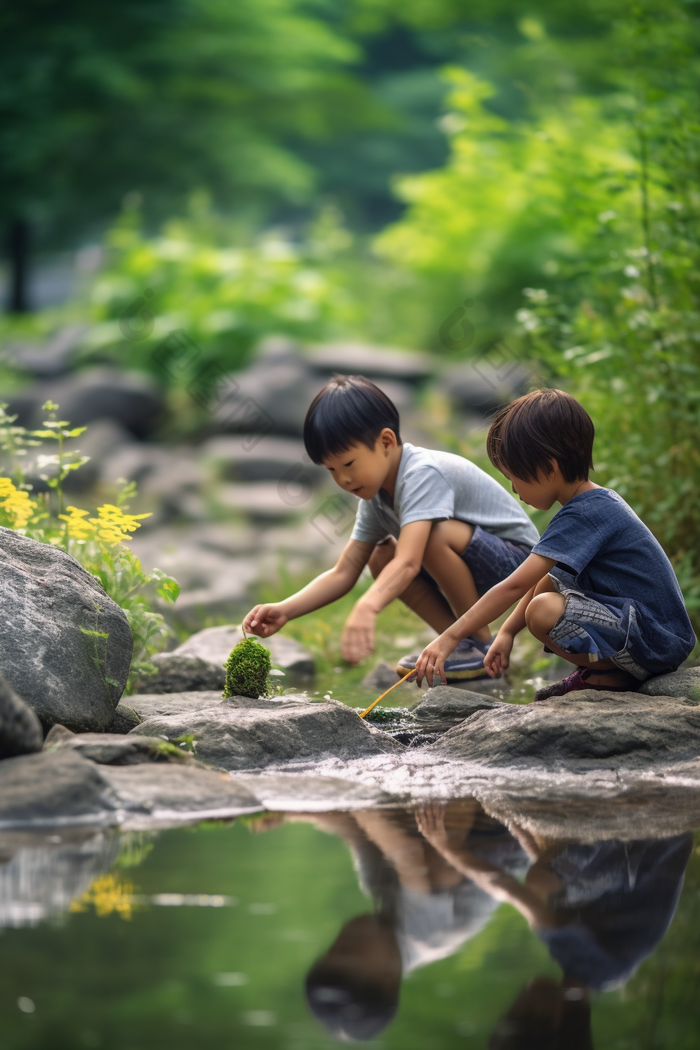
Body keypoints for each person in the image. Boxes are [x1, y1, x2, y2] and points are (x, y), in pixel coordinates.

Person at [242, 374, 539, 681]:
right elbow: (344, 572)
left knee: (430, 537)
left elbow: (409, 562)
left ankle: (478, 644)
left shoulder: (422, 473)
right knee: (380, 556)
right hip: (477, 565)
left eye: (348, 464)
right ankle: (460, 645)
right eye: (331, 469)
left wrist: (368, 606)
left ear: (385, 442)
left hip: (523, 566)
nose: (342, 479)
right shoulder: (376, 498)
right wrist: (285, 610)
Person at [414, 388, 696, 699]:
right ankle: (602, 671)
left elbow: (514, 585)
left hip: (656, 640)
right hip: (653, 634)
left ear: (549, 468)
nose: (514, 489)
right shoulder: (588, 505)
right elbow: (544, 578)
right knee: (549, 588)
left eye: (514, 478)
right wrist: (507, 632)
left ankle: (610, 676)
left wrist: (449, 638)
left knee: (543, 611)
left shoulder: (587, 514)